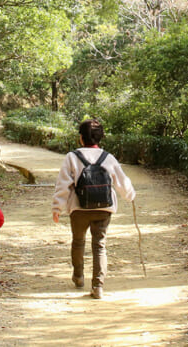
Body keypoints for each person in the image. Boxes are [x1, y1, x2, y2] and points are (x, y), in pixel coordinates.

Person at [51, 119, 136, 299]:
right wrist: (130, 196)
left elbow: (63, 184)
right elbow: (121, 181)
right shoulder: (108, 157)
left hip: (78, 208)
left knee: (78, 241)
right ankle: (98, 286)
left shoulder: (72, 157)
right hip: (104, 208)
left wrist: (57, 207)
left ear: (81, 138)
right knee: (99, 245)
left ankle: (78, 276)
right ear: (100, 138)